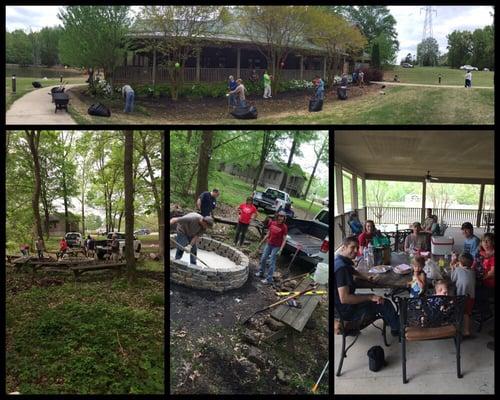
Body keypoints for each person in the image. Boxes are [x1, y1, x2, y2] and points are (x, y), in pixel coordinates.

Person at [335, 236, 400, 336]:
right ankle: (397, 330)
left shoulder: (338, 260)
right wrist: (370, 297)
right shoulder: (342, 269)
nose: (356, 251)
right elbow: (345, 298)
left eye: (357, 247)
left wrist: (366, 278)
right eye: (352, 247)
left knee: (374, 296)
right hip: (346, 311)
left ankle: (390, 320)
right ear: (344, 247)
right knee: (384, 302)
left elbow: (352, 270)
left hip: (339, 307)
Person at [255, 211, 288, 285]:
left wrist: (281, 249)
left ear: (284, 218)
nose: (280, 218)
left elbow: (284, 239)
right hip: (269, 244)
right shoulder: (273, 223)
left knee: (271, 262)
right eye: (279, 216)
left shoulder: (284, 227)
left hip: (276, 246)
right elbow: (268, 234)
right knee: (263, 258)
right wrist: (261, 243)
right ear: (277, 216)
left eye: (282, 217)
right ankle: (261, 272)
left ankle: (269, 279)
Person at [451, 252, 476, 337]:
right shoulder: (473, 271)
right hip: (471, 297)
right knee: (467, 313)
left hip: (461, 296)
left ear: (460, 263)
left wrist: (453, 268)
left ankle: (464, 331)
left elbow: (452, 279)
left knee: (462, 312)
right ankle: (466, 329)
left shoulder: (458, 270)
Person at [474, 233, 495, 320]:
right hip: (481, 280)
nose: (485, 243)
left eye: (488, 241)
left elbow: (492, 273)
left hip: (490, 284)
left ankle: (487, 312)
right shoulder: (480, 253)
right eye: (483, 241)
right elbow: (474, 264)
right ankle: (476, 307)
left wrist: (481, 278)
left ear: (492, 242)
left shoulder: (493, 256)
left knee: (478, 293)